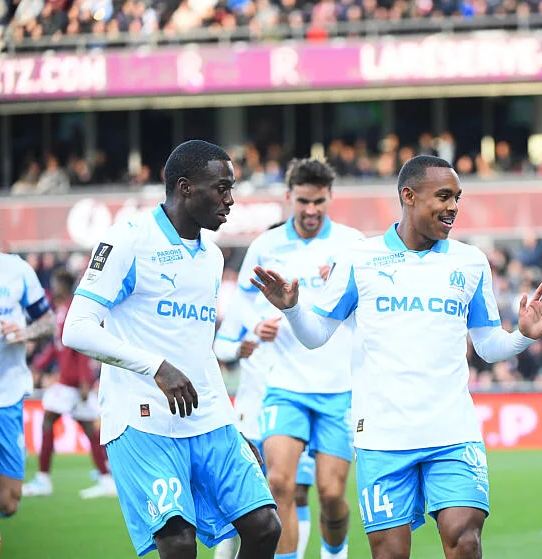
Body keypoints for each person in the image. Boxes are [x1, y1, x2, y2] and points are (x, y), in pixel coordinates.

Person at [251, 154, 542, 559]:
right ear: (409, 196)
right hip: (383, 437)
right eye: (443, 196)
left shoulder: (469, 262)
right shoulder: (359, 259)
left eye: (458, 198)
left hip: (452, 432)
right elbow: (316, 336)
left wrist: (521, 335)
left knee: (465, 539)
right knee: (390, 553)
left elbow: (488, 346)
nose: (453, 207)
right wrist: (291, 308)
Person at [61, 140, 281, 559]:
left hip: (208, 419)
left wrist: (230, 422)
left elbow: (200, 352)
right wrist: (156, 367)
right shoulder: (128, 240)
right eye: (221, 188)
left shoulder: (212, 258)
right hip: (141, 421)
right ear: (185, 187)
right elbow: (76, 329)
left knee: (264, 526)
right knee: (178, 544)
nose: (230, 200)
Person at [236, 158, 363, 559]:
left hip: (338, 388)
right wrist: (258, 323)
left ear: (330, 198)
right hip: (285, 384)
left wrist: (341, 289)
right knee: (279, 485)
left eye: (319, 202)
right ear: (290, 197)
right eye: (304, 201)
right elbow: (242, 297)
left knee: (330, 493)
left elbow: (372, 308)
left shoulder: (353, 245)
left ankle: (334, 552)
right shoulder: (266, 245)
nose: (311, 210)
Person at [212, 239, 317, 559]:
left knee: (296, 492)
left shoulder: (300, 303)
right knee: (241, 498)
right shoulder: (245, 309)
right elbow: (220, 346)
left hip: (294, 407)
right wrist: (244, 344)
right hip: (251, 410)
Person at [0, 197, 56, 556]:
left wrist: (25, 331)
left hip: (5, 398)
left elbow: (48, 323)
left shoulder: (16, 272)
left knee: (10, 501)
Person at [22, 268, 116, 500]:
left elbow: (81, 345)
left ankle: (44, 479)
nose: (53, 288)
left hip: (73, 383)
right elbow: (57, 346)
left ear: (64, 286)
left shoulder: (73, 309)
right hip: (68, 382)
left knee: (51, 420)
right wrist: (39, 366)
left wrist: (85, 380)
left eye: (56, 284)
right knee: (88, 429)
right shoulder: (60, 310)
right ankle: (105, 478)